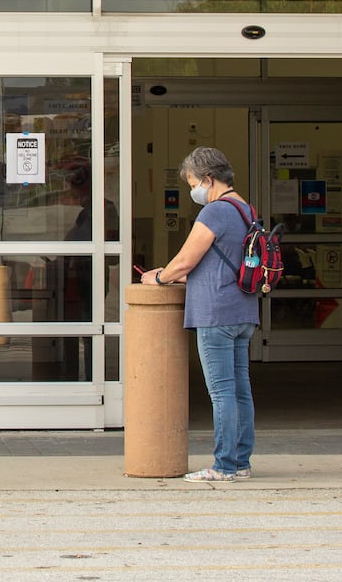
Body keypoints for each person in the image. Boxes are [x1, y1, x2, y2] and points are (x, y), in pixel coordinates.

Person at [140, 146, 259, 483]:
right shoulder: (245, 209)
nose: (193, 190)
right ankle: (241, 462)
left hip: (216, 312)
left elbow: (187, 260)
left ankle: (223, 466)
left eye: (193, 182)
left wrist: (160, 277)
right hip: (243, 310)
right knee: (239, 390)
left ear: (208, 178)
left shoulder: (215, 211)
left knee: (221, 392)